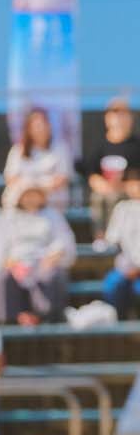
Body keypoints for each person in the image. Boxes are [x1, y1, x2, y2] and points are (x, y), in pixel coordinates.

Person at [0, 184, 76, 326]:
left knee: (51, 276)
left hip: (44, 261)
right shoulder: (7, 217)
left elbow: (63, 242)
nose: (31, 199)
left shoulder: (52, 215)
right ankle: (11, 320)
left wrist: (51, 258)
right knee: (2, 278)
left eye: (34, 194)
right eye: (27, 195)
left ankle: (44, 317)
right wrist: (10, 263)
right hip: (15, 263)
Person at [80, 97, 140, 243]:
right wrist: (103, 185)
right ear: (107, 119)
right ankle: (101, 238)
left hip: (129, 196)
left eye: (122, 114)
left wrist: (125, 186)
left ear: (130, 119)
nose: (118, 119)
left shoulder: (136, 146)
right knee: (100, 198)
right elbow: (91, 174)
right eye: (114, 114)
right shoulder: (99, 146)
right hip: (105, 194)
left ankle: (121, 241)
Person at [3, 106, 74, 211]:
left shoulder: (60, 148)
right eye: (37, 126)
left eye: (44, 124)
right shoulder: (18, 150)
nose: (41, 129)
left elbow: (62, 178)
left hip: (51, 201)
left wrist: (39, 190)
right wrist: (28, 188)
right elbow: (10, 178)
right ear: (29, 129)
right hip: (21, 201)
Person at [100, 166, 140, 317]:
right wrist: (128, 268)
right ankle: (121, 324)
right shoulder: (122, 208)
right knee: (112, 285)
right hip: (127, 268)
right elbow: (112, 240)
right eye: (132, 184)